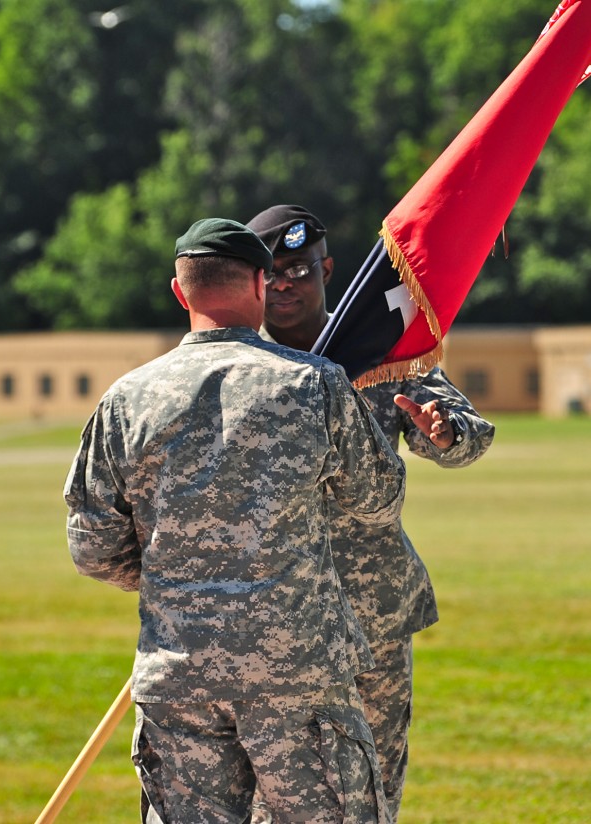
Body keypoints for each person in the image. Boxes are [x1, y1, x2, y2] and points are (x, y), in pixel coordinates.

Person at [64, 217, 407, 824]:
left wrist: (182, 578)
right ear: (258, 282)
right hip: (297, 677)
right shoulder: (316, 385)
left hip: (181, 675)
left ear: (180, 292)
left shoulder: (126, 399)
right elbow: (377, 496)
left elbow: (92, 545)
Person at [246, 204, 496, 820]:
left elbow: (469, 430)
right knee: (268, 796)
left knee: (376, 785)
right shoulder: (240, 366)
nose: (284, 283)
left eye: (299, 269)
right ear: (253, 283)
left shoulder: (378, 349)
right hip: (274, 619)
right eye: (271, 273)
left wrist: (446, 434)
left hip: (373, 613)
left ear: (326, 269)